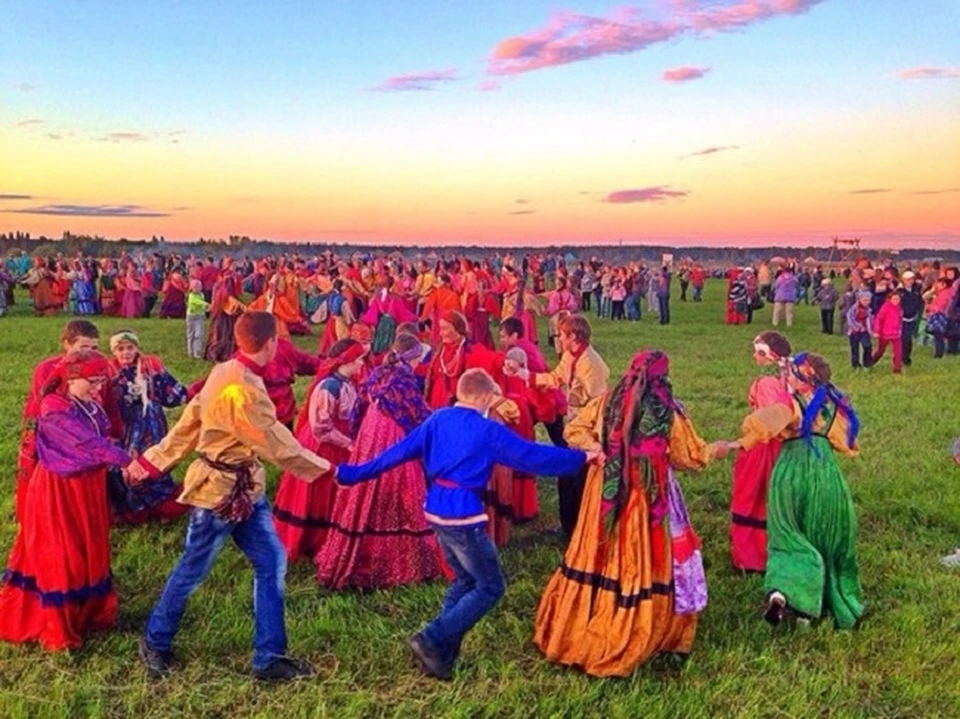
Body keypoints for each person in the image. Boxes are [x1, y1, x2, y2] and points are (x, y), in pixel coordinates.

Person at [335, 368, 595, 680]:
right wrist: (582, 458)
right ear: (484, 396)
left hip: (434, 510)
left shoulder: (437, 419)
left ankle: (442, 653)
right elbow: (532, 456)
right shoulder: (486, 430)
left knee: (464, 580)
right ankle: (431, 638)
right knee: (490, 586)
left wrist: (351, 474)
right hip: (464, 516)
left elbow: (396, 454)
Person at [127, 312, 333, 682]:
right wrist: (329, 470)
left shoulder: (223, 372)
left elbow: (188, 421)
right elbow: (275, 442)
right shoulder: (244, 388)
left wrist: (151, 461)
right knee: (193, 569)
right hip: (218, 494)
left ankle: (268, 659)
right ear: (270, 343)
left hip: (246, 492)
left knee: (271, 563)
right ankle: (156, 641)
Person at [533, 350, 728, 677]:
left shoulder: (608, 400)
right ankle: (632, 627)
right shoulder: (668, 412)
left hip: (604, 488)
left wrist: (595, 449)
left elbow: (574, 428)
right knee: (638, 554)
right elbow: (688, 457)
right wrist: (719, 449)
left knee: (598, 546)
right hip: (644, 493)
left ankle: (583, 621)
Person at [0, 351, 132, 651]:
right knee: (62, 553)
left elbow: (102, 436)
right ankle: (59, 626)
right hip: (60, 492)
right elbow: (85, 442)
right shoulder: (54, 408)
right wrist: (125, 460)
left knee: (88, 547)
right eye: (94, 381)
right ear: (72, 378)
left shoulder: (87, 402)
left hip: (88, 489)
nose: (99, 388)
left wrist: (119, 451)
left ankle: (89, 613)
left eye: (101, 382)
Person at [726, 353, 864, 628]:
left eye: (792, 374)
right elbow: (849, 444)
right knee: (825, 534)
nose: (786, 378)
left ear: (806, 380)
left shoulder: (790, 404)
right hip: (826, 477)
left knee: (787, 535)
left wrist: (741, 439)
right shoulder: (835, 405)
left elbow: (766, 422)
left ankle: (786, 594)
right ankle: (824, 600)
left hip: (790, 475)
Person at [315, 334, 443, 590]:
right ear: (414, 358)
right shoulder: (404, 380)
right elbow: (418, 416)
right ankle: (398, 564)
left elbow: (359, 405)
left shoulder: (379, 373)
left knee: (365, 490)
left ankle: (357, 551)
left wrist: (359, 437)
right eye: (419, 358)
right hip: (392, 438)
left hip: (370, 436)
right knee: (402, 489)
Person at [505, 314, 608, 537]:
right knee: (565, 476)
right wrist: (522, 374)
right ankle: (567, 528)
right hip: (573, 427)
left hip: (587, 432)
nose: (558, 338)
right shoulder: (570, 356)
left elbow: (600, 405)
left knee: (578, 482)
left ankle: (581, 533)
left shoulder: (593, 365)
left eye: (561, 335)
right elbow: (554, 378)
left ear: (574, 337)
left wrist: (594, 440)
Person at [15, 320, 118, 523]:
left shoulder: (99, 368)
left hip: (91, 435)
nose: (89, 352)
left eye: (94, 347)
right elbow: (40, 407)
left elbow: (109, 403)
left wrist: (114, 432)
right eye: (83, 347)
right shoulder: (47, 369)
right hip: (58, 437)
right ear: (66, 344)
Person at [272, 339, 365, 561]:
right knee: (319, 491)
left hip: (340, 442)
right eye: (359, 359)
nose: (362, 363)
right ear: (349, 361)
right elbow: (321, 428)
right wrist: (348, 443)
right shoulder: (329, 387)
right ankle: (312, 540)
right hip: (324, 447)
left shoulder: (348, 383)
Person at [107, 330, 190, 524]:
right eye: (120, 349)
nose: (126, 353)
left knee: (155, 460)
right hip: (125, 426)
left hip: (151, 425)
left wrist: (195, 393)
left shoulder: (150, 366)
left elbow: (171, 393)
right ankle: (133, 508)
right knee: (130, 464)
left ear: (137, 348)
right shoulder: (109, 371)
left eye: (130, 348)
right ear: (114, 351)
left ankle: (161, 506)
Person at [730, 332, 792, 572]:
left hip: (763, 446)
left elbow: (769, 418)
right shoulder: (786, 375)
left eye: (759, 352)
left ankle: (752, 555)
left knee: (752, 496)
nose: (754, 356)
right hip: (780, 446)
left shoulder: (767, 382)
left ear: (770, 356)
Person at [871, 292, 904, 374]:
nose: (896, 301)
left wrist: (900, 329)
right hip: (885, 333)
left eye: (898, 299)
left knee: (898, 352)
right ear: (890, 299)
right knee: (880, 351)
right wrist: (876, 331)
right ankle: (870, 362)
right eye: (895, 299)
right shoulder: (886, 307)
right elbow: (878, 319)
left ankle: (897, 369)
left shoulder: (899, 308)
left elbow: (900, 320)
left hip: (896, 334)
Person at [899, 272, 923, 366]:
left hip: (912, 318)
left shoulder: (916, 291)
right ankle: (903, 358)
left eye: (911, 279)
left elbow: (920, 302)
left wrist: (918, 312)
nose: (910, 281)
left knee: (909, 340)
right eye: (907, 279)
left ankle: (906, 358)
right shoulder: (900, 291)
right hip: (902, 319)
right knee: (904, 339)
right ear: (903, 280)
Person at [846, 290, 874, 369]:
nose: (867, 302)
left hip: (865, 331)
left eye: (868, 300)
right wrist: (857, 326)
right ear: (859, 300)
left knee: (867, 346)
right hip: (854, 332)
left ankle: (867, 362)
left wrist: (871, 328)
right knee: (855, 348)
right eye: (864, 300)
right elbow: (850, 318)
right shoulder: (854, 309)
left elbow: (870, 319)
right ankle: (856, 364)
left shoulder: (869, 310)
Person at [185, 280, 210, 360]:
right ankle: (190, 351)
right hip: (191, 316)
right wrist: (205, 304)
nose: (197, 288)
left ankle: (197, 352)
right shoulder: (191, 296)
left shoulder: (202, 295)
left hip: (200, 316)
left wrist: (206, 309)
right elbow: (196, 302)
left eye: (199, 287)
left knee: (198, 334)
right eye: (195, 287)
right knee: (190, 334)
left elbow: (201, 304)